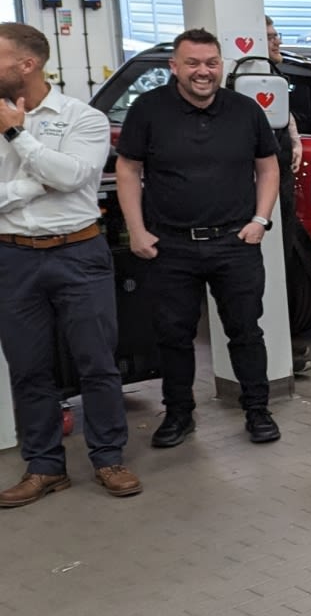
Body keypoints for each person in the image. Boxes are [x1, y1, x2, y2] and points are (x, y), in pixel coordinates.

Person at [114, 28, 284, 449]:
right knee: (173, 335)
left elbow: (268, 167)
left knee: (246, 331)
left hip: (235, 242)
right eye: (192, 63)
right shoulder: (148, 109)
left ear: (221, 65)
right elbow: (128, 169)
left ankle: (258, 410)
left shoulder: (245, 110)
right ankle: (179, 414)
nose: (203, 71)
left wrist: (260, 220)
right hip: (170, 245)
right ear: (175, 67)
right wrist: (136, 230)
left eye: (211, 63)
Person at [0, 22, 141, 506]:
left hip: (77, 254)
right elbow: (54, 178)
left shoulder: (84, 118)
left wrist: (15, 133)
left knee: (96, 362)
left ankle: (108, 458)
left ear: (27, 64)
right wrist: (33, 185)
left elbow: (73, 175)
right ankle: (44, 467)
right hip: (13, 256)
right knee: (27, 367)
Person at [264, 15, 311, 375]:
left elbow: (286, 119)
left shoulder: (275, 78)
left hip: (283, 187)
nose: (277, 41)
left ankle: (285, 343)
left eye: (276, 35)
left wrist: (295, 141)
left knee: (285, 265)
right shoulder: (252, 81)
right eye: (269, 37)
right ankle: (277, 349)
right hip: (262, 194)